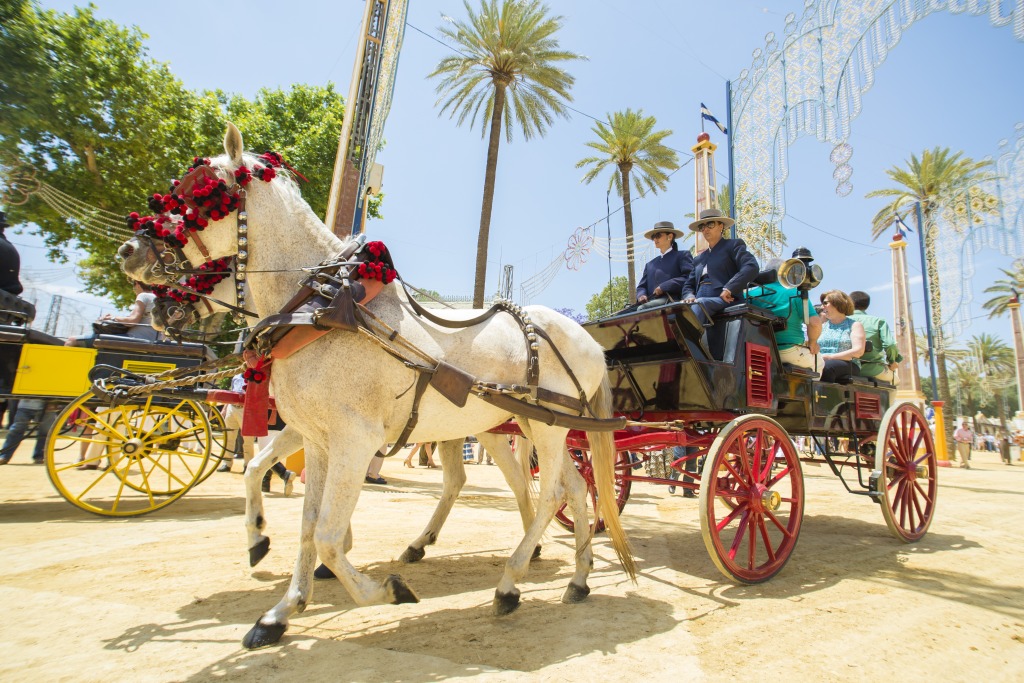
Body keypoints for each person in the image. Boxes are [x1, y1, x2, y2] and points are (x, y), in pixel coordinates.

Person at [749, 252, 824, 377]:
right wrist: (812, 342)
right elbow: (815, 323)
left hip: (760, 352)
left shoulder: (749, 294)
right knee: (819, 363)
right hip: (789, 351)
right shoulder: (795, 292)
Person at [680, 209, 759, 323]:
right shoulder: (698, 259)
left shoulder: (732, 245)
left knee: (700, 303)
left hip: (725, 299)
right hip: (699, 300)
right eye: (702, 226)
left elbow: (751, 266)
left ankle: (689, 341)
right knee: (674, 311)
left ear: (720, 226)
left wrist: (729, 288)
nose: (705, 229)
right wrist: (688, 296)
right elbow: (688, 284)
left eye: (710, 224)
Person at [66, 280, 159, 346]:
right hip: (152, 340)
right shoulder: (159, 298)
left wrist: (113, 318)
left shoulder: (143, 296)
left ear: (137, 284)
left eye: (133, 287)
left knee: (72, 340)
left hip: (135, 338)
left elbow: (133, 320)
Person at [636, 221, 693, 311]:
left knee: (642, 309)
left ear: (670, 236)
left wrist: (664, 286)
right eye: (653, 237)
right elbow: (641, 286)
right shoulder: (649, 265)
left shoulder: (682, 256)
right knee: (619, 316)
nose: (655, 239)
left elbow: (689, 278)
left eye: (658, 236)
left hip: (670, 300)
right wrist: (641, 295)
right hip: (650, 302)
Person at [848, 291, 902, 383]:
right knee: (896, 382)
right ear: (867, 305)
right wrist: (892, 361)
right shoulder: (878, 321)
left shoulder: (842, 320)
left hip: (846, 369)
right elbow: (890, 345)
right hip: (872, 369)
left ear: (849, 303)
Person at [817, 289, 865, 383]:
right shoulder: (821, 327)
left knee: (826, 367)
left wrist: (830, 357)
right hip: (821, 361)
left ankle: (825, 396)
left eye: (825, 303)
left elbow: (858, 351)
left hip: (848, 364)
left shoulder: (854, 325)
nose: (822, 307)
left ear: (837, 303)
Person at [0, 399, 58, 465]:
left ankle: (39, 457)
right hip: (25, 406)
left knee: (45, 433)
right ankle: (4, 456)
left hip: (48, 406)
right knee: (16, 431)